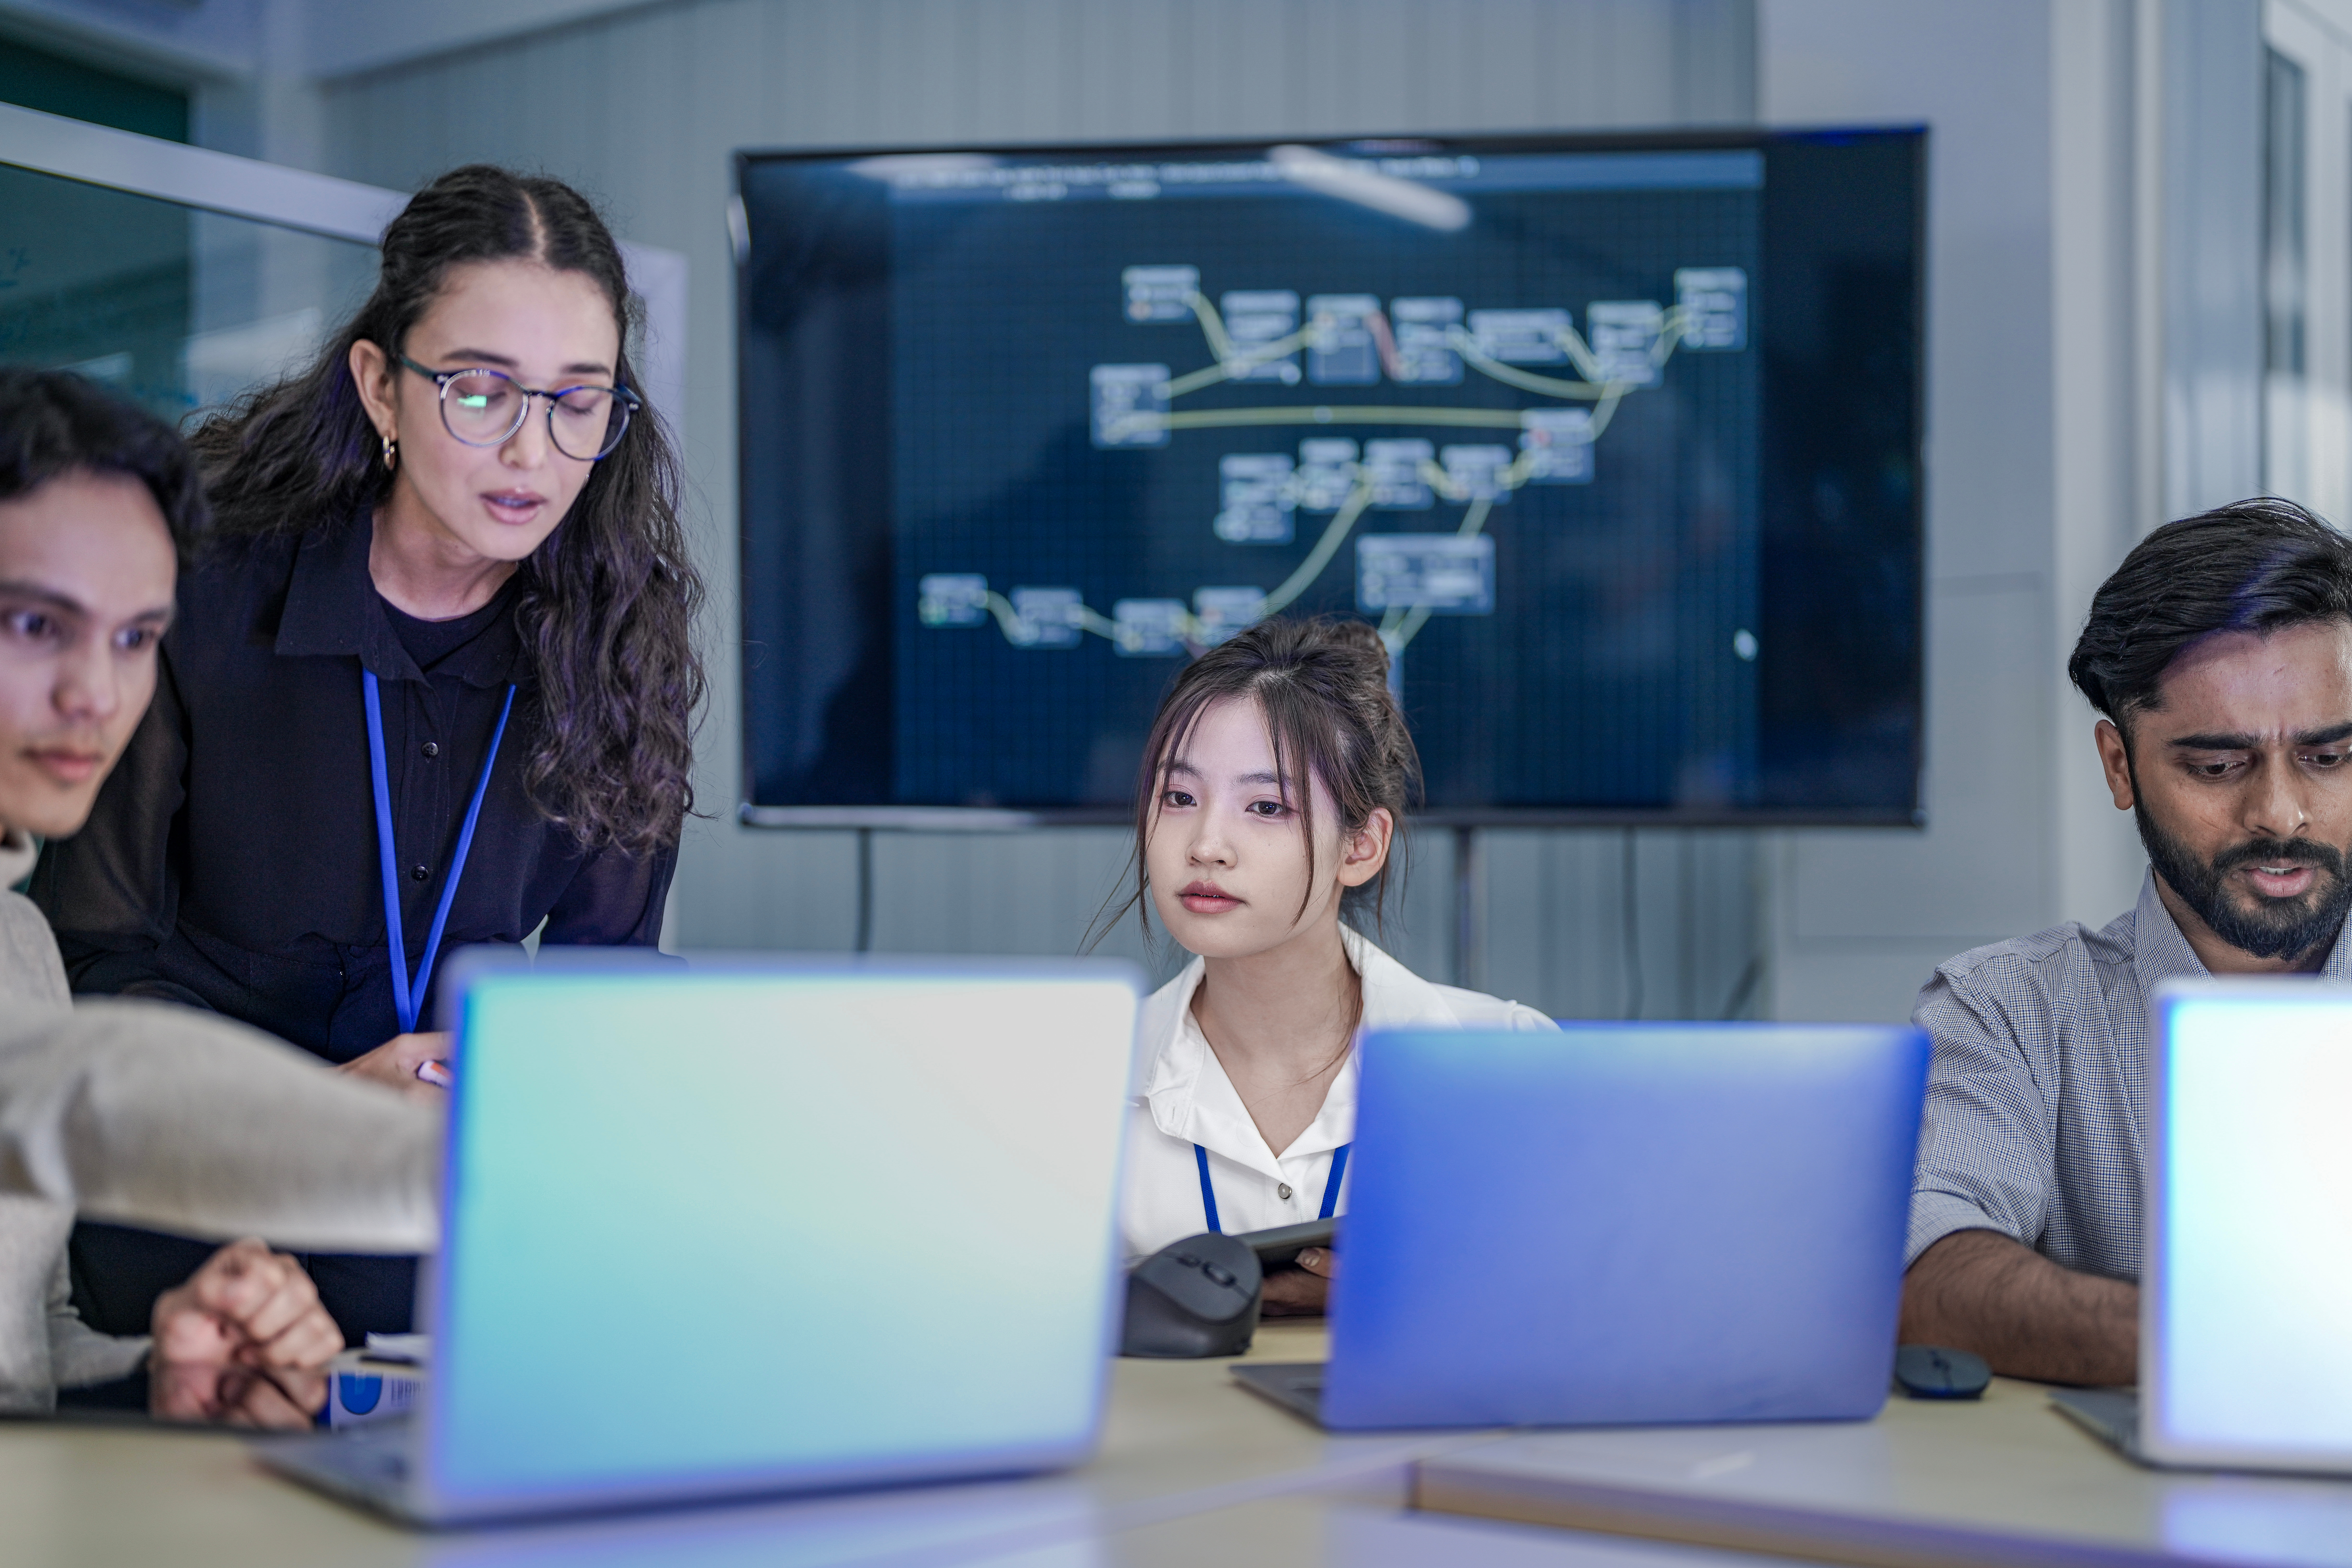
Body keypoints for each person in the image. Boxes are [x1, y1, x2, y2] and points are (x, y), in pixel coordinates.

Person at [33, 165, 706, 1340]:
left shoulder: (616, 638)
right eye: (480, 391)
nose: (534, 453)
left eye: (577, 401)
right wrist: (323, 1104)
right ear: (380, 387)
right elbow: (88, 970)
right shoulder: (200, 598)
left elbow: (606, 986)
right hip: (192, 1230)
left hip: (449, 1255)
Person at [0, 365, 437, 1423]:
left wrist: (165, 1371)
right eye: (37, 626)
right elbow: (65, 1093)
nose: (96, 694)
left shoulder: (18, 942)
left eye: (135, 638)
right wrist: (458, 1162)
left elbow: (29, 1344)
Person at [1901, 498, 2352, 1385]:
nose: (2280, 814)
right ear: (2120, 765)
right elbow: (1929, 1279)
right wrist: (2236, 1347)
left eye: (2330, 757)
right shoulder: (2006, 1011)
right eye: (2217, 766)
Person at [1098, 617, 1555, 1311]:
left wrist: (1415, 1292)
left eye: (1266, 806)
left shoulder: (1510, 1059)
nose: (1206, 845)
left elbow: (1578, 1309)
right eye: (1180, 798)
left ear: (1362, 846)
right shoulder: (1081, 1080)